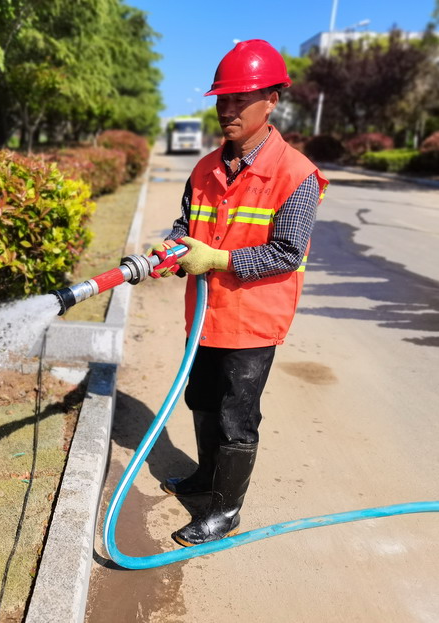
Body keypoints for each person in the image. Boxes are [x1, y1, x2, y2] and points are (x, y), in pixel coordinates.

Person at [151, 39, 329, 547]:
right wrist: (172, 249)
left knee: (236, 417)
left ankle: (224, 512)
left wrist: (217, 260)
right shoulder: (204, 167)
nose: (227, 110)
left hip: (252, 321)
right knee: (202, 399)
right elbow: (187, 224)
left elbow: (286, 252)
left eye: (239, 99)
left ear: (271, 100)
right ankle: (206, 478)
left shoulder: (296, 174)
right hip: (205, 315)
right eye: (222, 99)